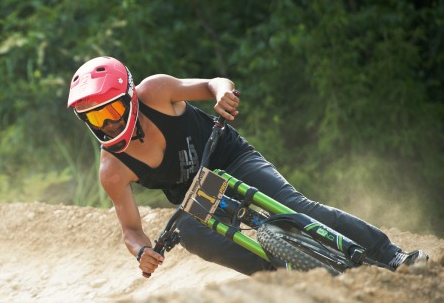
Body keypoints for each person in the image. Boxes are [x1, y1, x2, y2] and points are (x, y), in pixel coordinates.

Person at [66, 56, 428, 276]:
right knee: (191, 235)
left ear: (129, 97)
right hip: (197, 195)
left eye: (111, 110)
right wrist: (142, 252)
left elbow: (212, 83)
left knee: (298, 208)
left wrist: (223, 93)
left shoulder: (156, 92)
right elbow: (131, 229)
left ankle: (392, 256)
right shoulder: (113, 170)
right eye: (94, 117)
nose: (107, 124)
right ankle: (280, 281)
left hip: (227, 155)